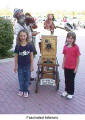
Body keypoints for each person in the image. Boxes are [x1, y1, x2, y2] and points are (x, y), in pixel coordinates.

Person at [14, 29, 33, 97]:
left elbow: (31, 56)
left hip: (28, 65)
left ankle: (26, 90)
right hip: (20, 66)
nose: (22, 37)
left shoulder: (29, 45)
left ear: (27, 36)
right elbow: (16, 57)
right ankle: (21, 90)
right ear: (19, 37)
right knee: (21, 78)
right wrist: (15, 66)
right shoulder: (18, 46)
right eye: (21, 36)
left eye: (24, 36)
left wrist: (31, 66)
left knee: (27, 78)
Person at [61, 31, 80, 99]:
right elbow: (65, 56)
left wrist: (76, 68)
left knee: (71, 80)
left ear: (74, 39)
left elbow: (77, 58)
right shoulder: (65, 47)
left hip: (73, 67)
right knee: (66, 79)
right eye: (68, 38)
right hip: (66, 66)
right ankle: (66, 90)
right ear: (66, 38)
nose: (70, 39)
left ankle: (71, 92)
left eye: (71, 38)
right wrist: (63, 64)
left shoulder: (76, 47)